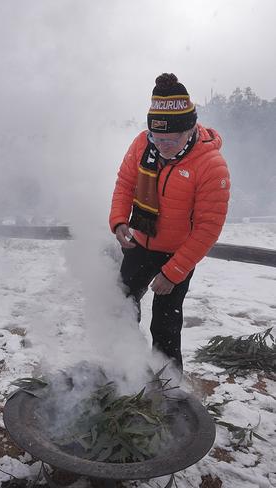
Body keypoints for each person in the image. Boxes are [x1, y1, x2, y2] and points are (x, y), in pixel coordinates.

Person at [109, 73, 230, 373]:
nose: (161, 146)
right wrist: (120, 221)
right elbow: (125, 183)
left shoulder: (211, 165)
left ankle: (169, 389)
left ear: (189, 129)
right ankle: (126, 370)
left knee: (165, 326)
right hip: (140, 241)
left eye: (170, 140)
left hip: (177, 254)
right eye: (156, 138)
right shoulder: (142, 144)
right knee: (120, 306)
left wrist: (173, 273)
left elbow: (208, 228)